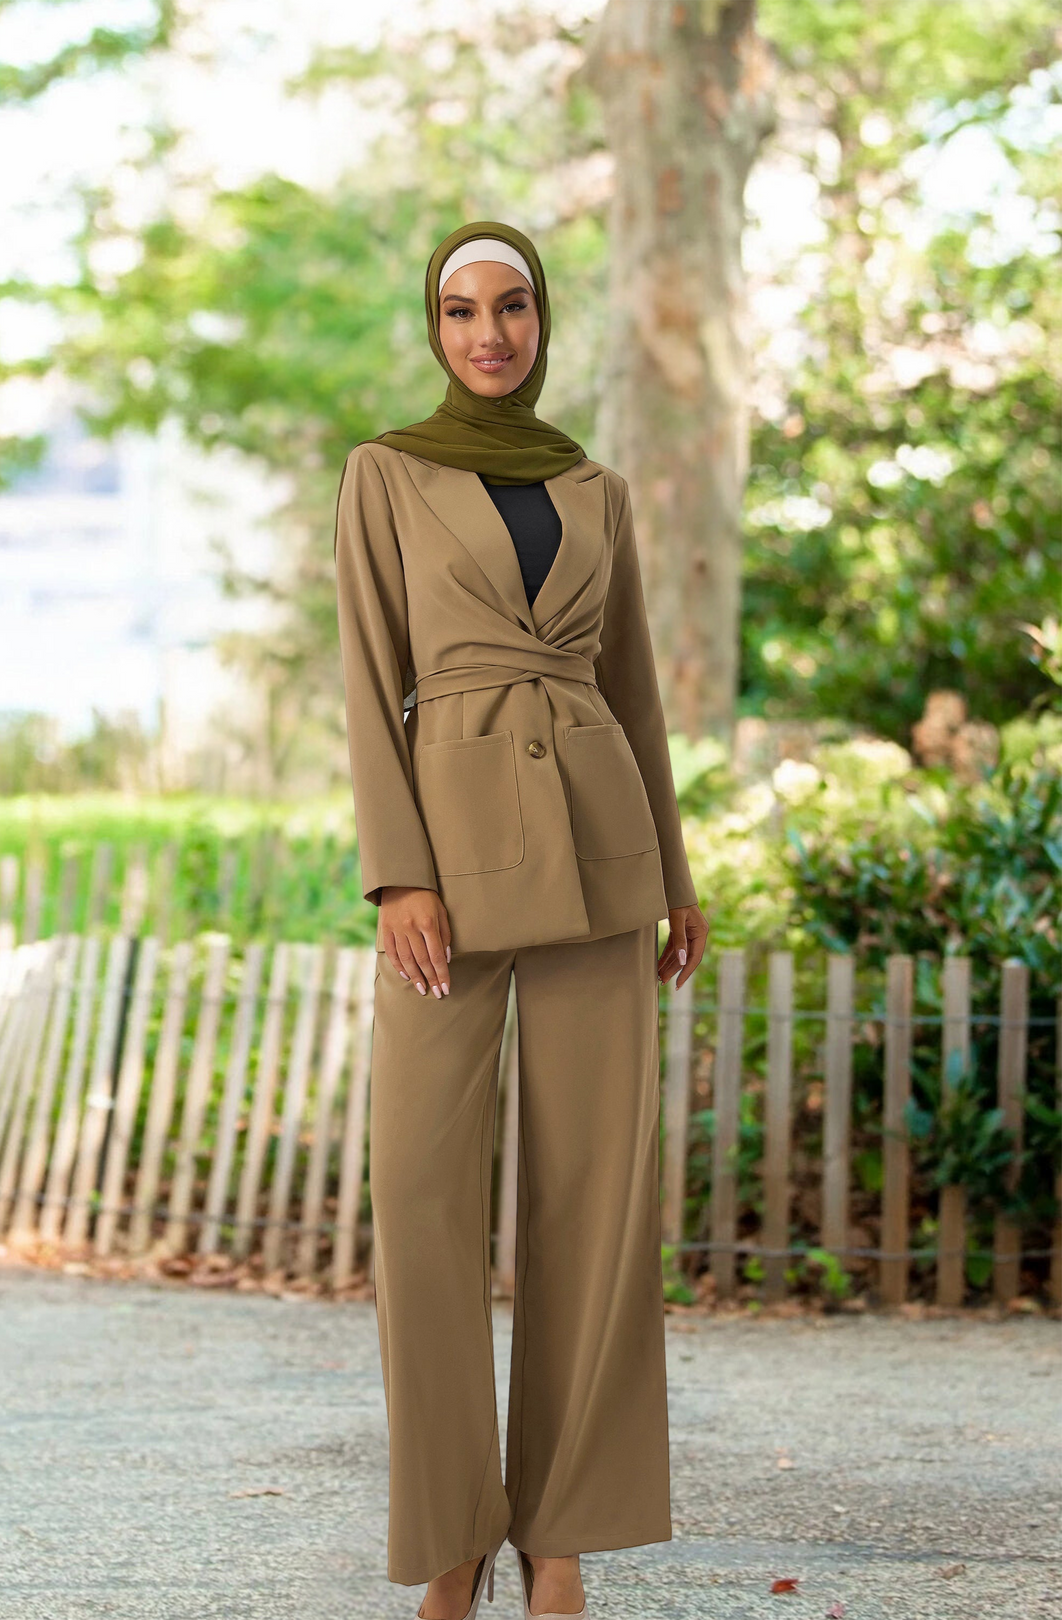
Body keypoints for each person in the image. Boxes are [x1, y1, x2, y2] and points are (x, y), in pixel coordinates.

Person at [333, 220, 708, 1620]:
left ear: (544, 322)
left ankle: (561, 1535)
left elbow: (637, 686)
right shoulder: (385, 475)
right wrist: (399, 873)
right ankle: (451, 1534)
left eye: (512, 308)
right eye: (460, 309)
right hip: (453, 868)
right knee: (425, 1199)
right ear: (433, 328)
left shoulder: (598, 489)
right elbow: (373, 682)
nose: (488, 331)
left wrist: (671, 866)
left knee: (594, 1209)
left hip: (604, 862)